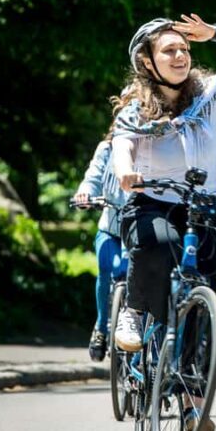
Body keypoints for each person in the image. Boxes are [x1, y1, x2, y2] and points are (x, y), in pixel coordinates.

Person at [111, 13, 216, 431]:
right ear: (148, 62)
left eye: (184, 49)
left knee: (199, 309)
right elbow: (122, 146)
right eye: (170, 50)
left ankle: (191, 404)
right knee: (157, 247)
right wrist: (127, 172)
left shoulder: (213, 95)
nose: (181, 55)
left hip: (203, 210)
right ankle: (135, 310)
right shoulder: (137, 108)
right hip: (153, 203)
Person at [73, 135, 128, 361]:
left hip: (136, 232)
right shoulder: (107, 148)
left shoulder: (151, 144)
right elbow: (93, 175)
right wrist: (85, 192)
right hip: (110, 227)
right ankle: (102, 326)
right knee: (107, 267)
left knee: (128, 270)